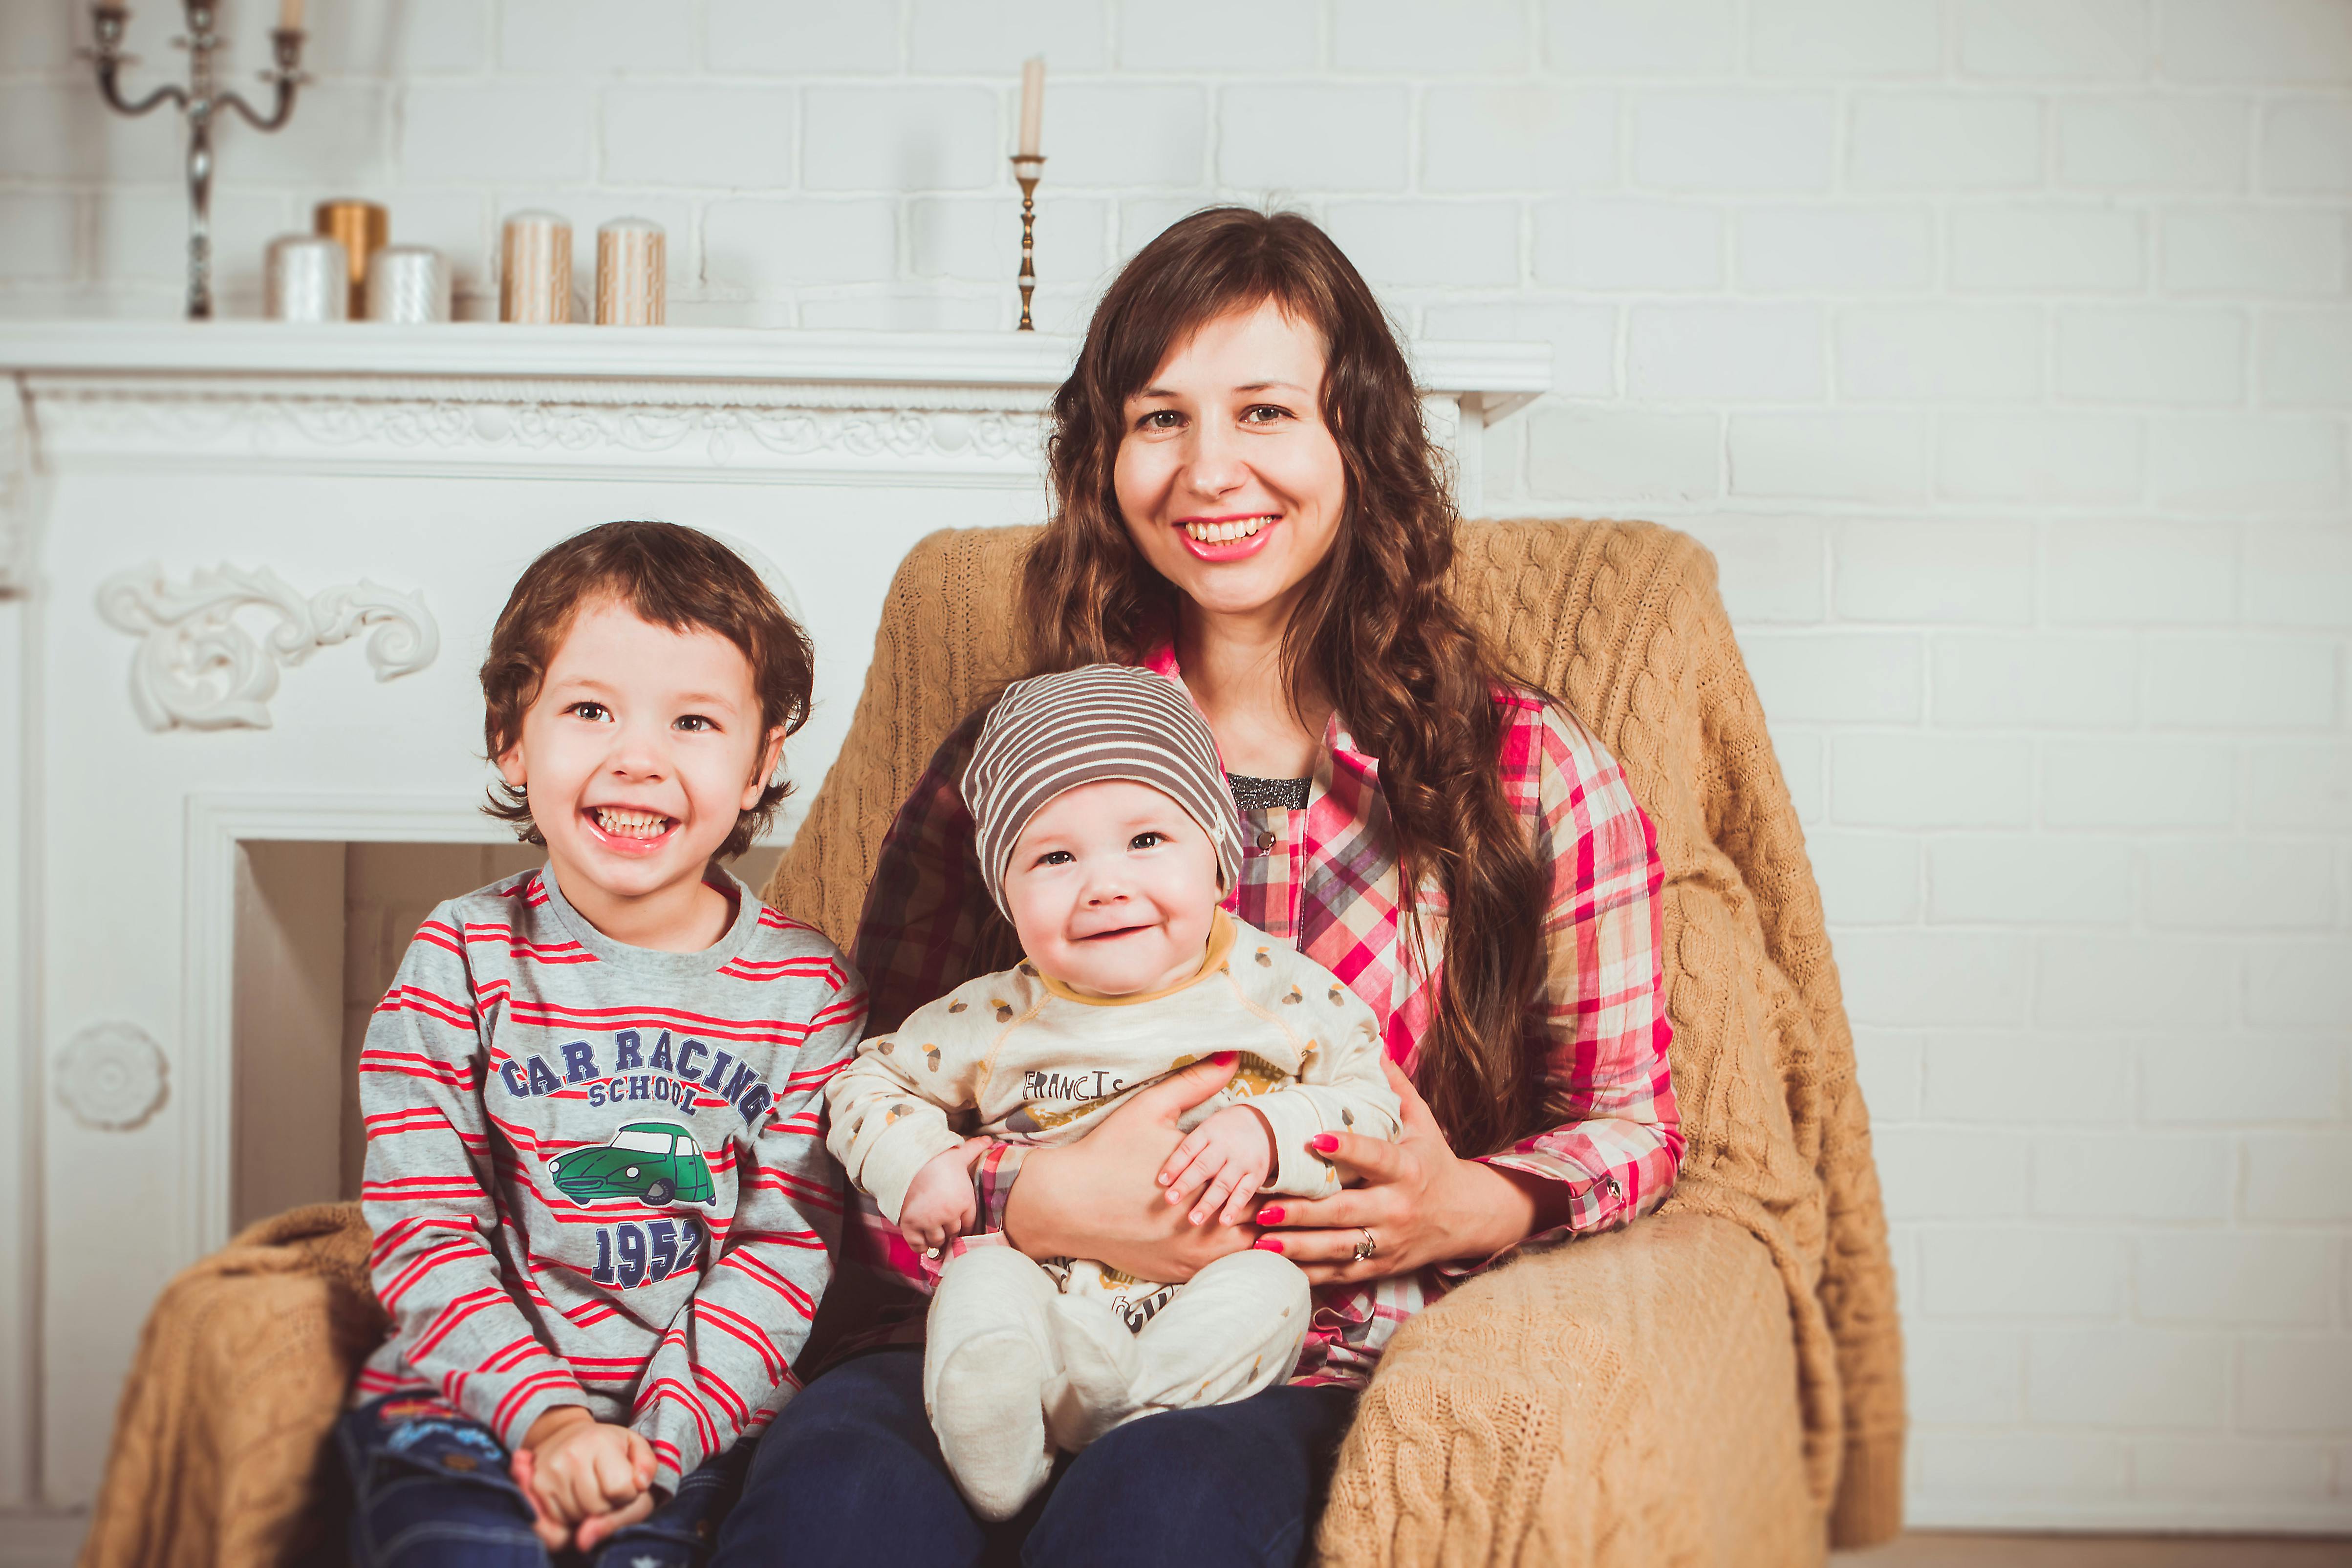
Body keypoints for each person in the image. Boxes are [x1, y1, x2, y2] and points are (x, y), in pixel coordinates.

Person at [714, 207, 1683, 1568]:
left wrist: (1471, 1202)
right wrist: (1026, 1199)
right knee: (834, 1501)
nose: (1208, 468)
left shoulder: (1522, 769)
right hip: (985, 1320)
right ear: (1103, 455)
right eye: (1158, 418)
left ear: (1357, 437)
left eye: (1266, 411)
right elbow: (871, 1085)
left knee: (1156, 1509)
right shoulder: (1010, 762)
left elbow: (1626, 1119)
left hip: (1279, 1353)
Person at [342, 522, 865, 1568]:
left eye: (692, 722)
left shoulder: (808, 992)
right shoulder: (461, 954)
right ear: (512, 738)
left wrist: (649, 1447)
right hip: (467, 1419)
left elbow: (781, 1255)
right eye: (589, 711)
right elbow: (425, 1228)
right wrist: (549, 1423)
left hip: (702, 1436)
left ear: (762, 763)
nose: (637, 759)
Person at [824, 663, 1402, 1520]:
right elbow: (867, 1078)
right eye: (1053, 856)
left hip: (1213, 1289)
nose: (1104, 884)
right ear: (1006, 896)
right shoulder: (997, 1012)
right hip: (1041, 1288)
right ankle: (999, 1458)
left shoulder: (1277, 991)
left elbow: (1370, 1098)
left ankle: (1127, 1398)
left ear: (1217, 860)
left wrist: (1275, 1128)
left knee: (1269, 1295)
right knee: (979, 1295)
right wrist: (921, 1162)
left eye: (1146, 841)